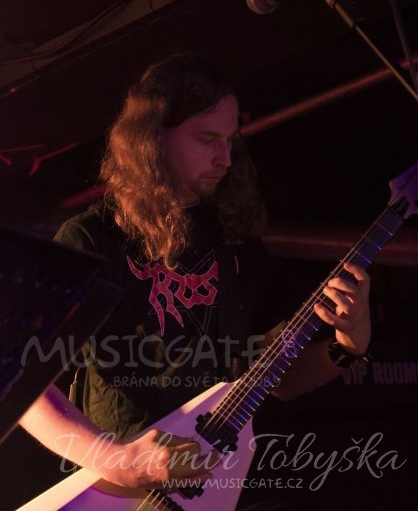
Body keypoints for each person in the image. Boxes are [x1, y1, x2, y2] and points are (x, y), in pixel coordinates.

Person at [19, 54, 371, 495]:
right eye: (207, 139)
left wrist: (348, 346)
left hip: (216, 488)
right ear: (154, 138)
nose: (225, 158)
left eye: (229, 140)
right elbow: (19, 381)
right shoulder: (93, 239)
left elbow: (277, 382)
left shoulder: (235, 243)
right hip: (121, 495)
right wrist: (119, 461)